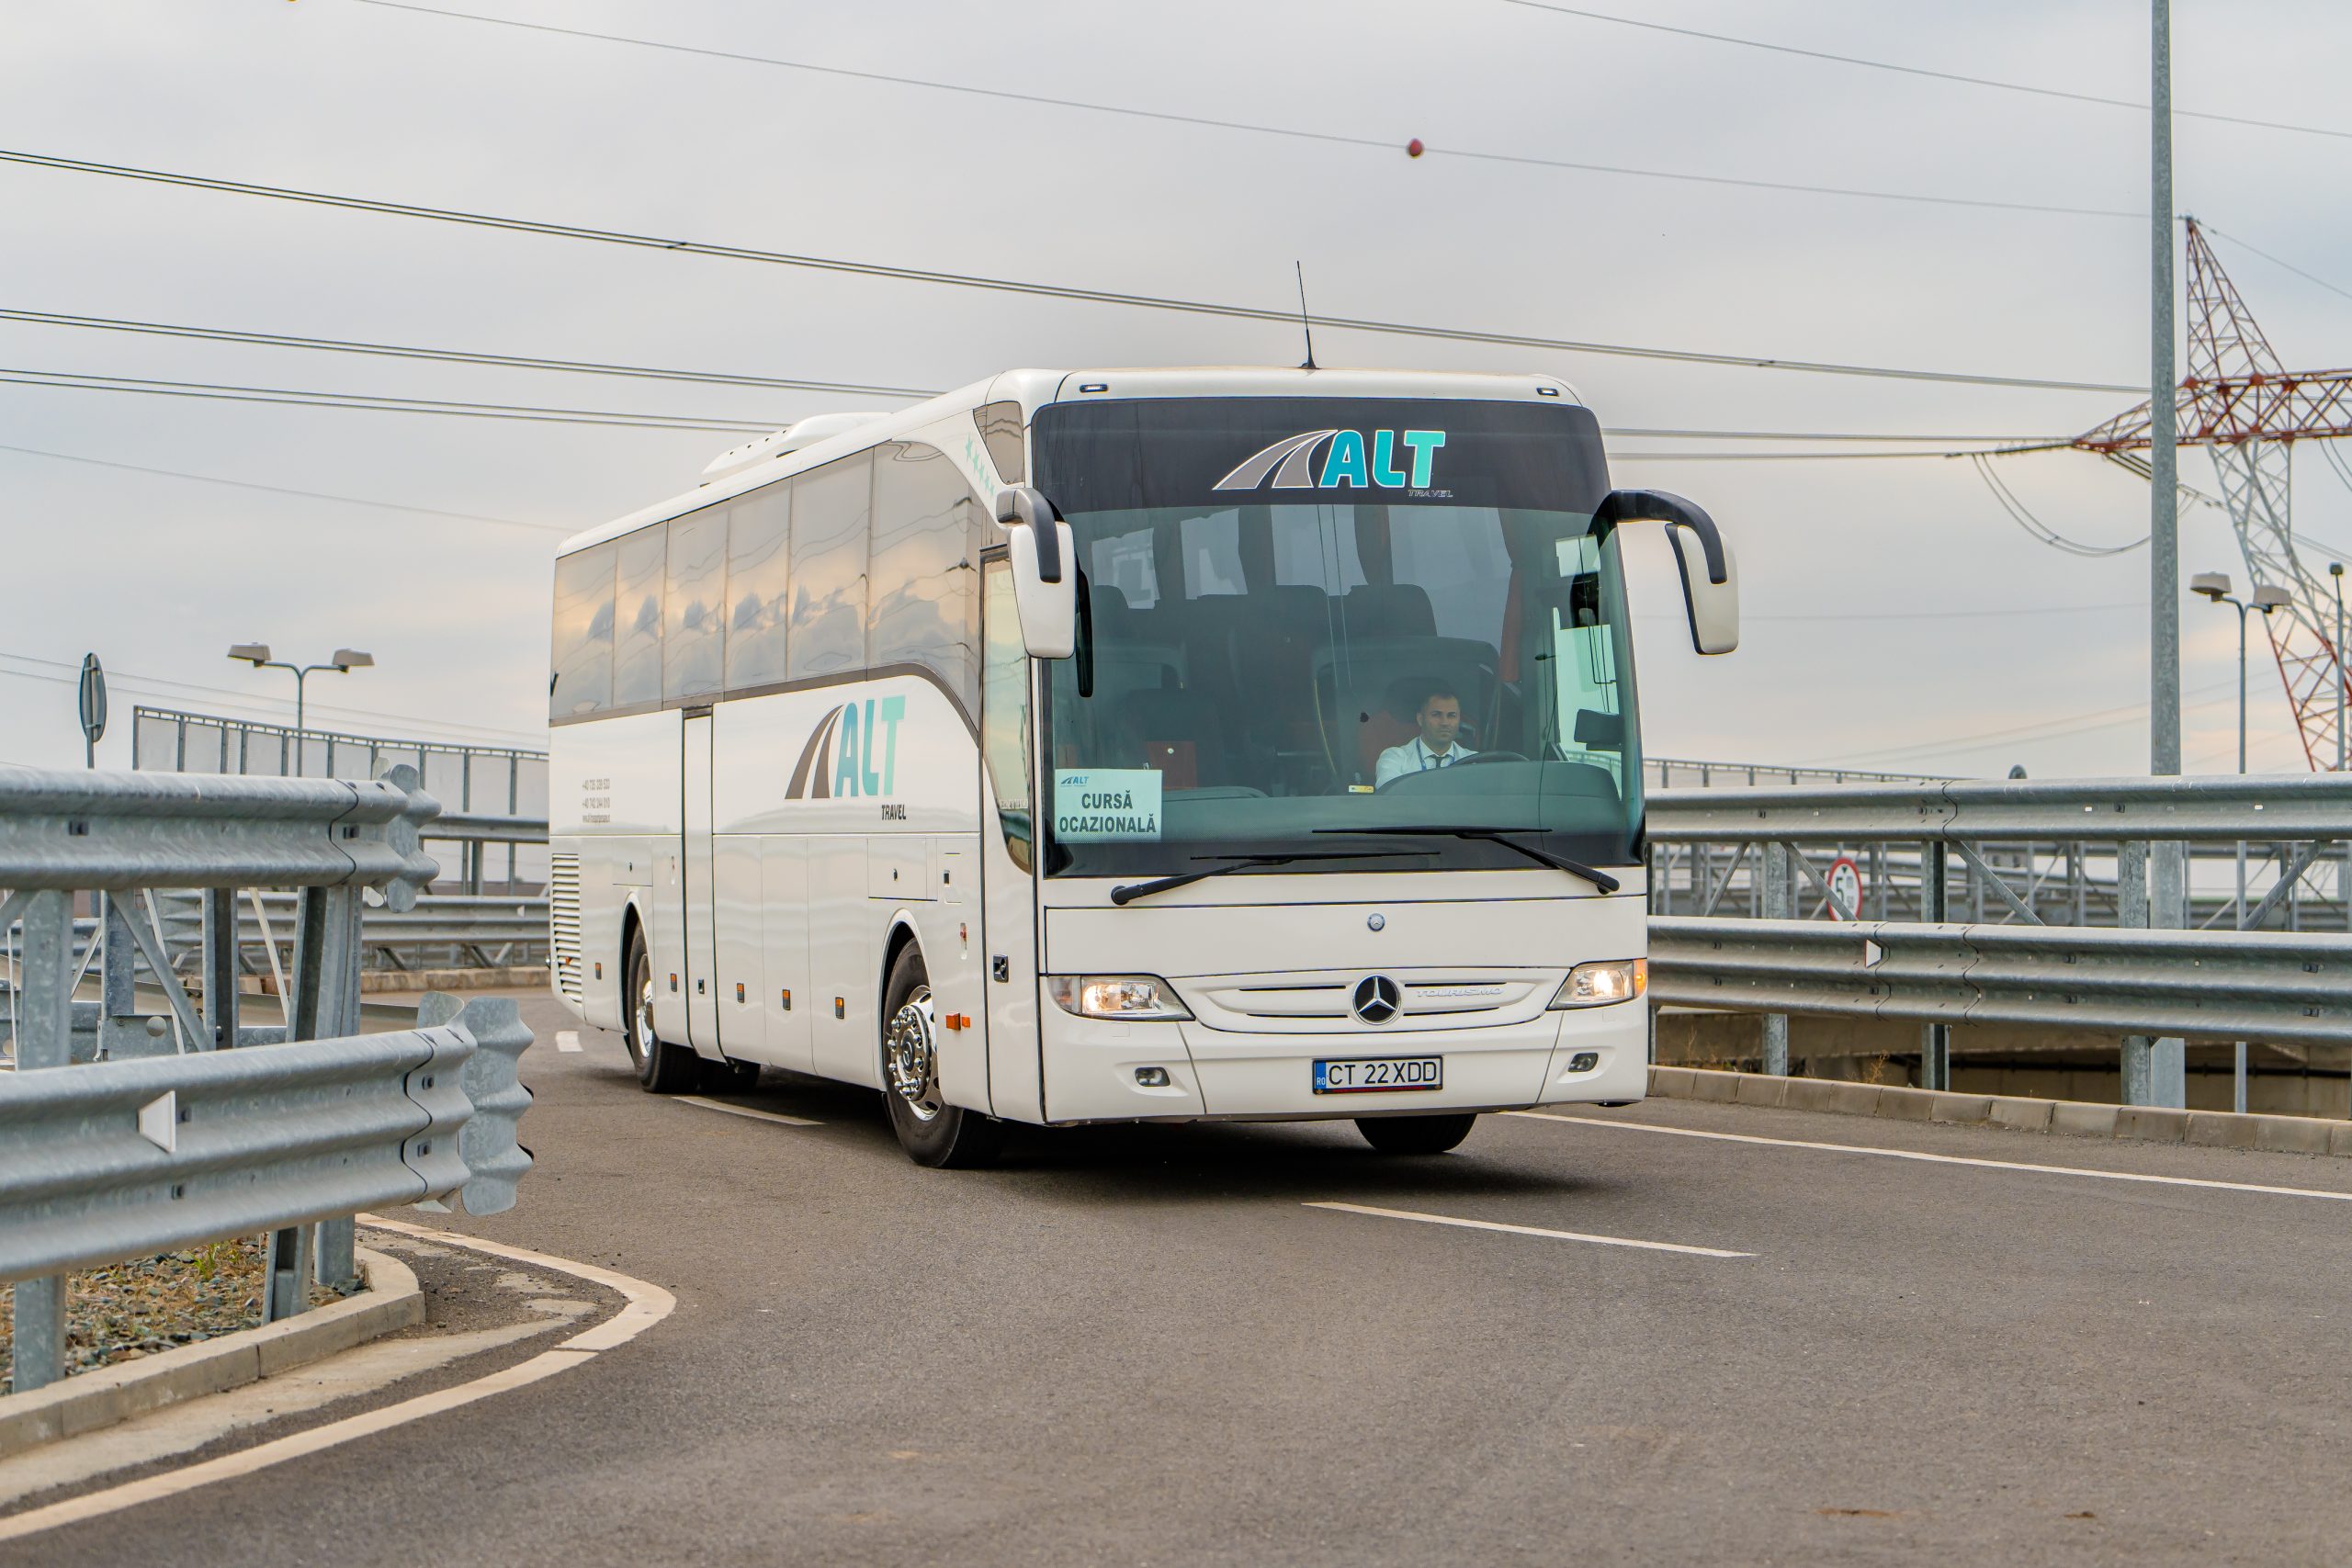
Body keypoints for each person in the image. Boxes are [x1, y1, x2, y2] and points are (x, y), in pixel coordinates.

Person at [1375, 684, 1477, 784]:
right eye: (1436, 715)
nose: (1445, 722)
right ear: (1420, 719)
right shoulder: (1395, 758)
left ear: (1459, 720)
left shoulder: (1474, 761)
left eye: (1451, 715)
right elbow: (1390, 795)